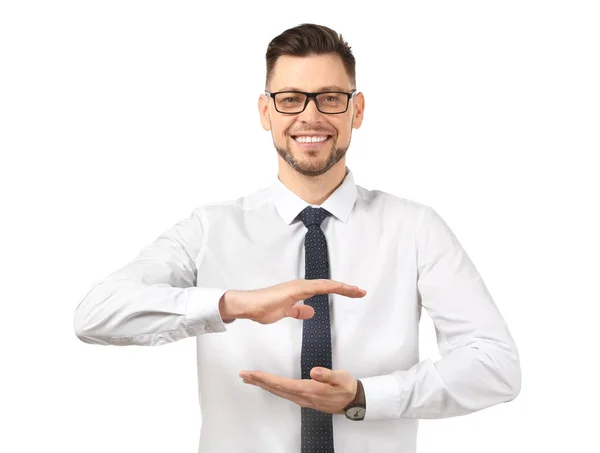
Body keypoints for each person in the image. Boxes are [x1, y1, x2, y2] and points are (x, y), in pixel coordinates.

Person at [73, 23, 521, 453]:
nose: (310, 116)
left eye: (329, 98)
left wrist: (365, 395)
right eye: (290, 99)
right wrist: (233, 303)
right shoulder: (211, 228)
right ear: (266, 112)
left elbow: (496, 366)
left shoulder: (415, 227)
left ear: (357, 110)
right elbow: (95, 315)